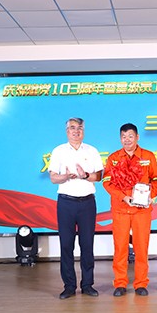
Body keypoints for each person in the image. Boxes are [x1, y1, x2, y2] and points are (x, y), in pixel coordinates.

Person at [102, 123, 157, 296]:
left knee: (141, 247)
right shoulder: (114, 158)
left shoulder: (148, 156)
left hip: (141, 210)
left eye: (130, 136)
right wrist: (122, 196)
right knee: (120, 247)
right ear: (120, 138)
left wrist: (152, 195)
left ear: (137, 137)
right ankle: (120, 283)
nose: (127, 140)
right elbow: (107, 182)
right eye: (123, 136)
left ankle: (141, 283)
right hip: (121, 209)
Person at [48, 118, 104, 300]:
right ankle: (69, 286)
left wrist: (85, 175)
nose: (76, 131)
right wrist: (64, 176)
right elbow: (53, 178)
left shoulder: (92, 150)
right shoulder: (58, 151)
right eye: (72, 128)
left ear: (83, 131)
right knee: (66, 244)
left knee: (87, 244)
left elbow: (99, 176)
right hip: (66, 203)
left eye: (80, 128)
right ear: (67, 131)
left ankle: (87, 284)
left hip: (87, 203)